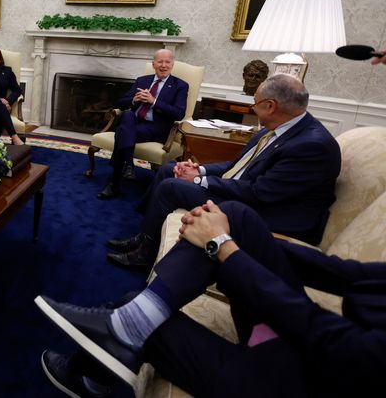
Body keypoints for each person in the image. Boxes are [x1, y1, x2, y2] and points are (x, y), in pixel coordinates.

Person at [36, 199, 386, 397]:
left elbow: (346, 349)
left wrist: (221, 247)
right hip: (306, 341)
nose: (376, 63)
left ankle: (96, 368)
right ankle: (126, 329)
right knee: (236, 216)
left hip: (309, 380)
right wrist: (228, 236)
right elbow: (344, 273)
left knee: (133, 303)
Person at [107, 73, 340, 269]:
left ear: (270, 106)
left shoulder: (311, 145)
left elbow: (260, 192)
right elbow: (236, 166)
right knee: (170, 169)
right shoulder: (274, 130)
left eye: (255, 104)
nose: (253, 108)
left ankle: (144, 255)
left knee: (171, 186)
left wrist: (198, 180)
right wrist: (199, 168)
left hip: (268, 211)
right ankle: (146, 237)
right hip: (250, 193)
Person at [97, 49, 188, 200]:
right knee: (127, 115)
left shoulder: (180, 85)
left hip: (156, 128)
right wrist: (134, 100)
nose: (163, 65)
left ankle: (115, 182)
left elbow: (179, 113)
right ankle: (128, 165)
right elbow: (120, 102)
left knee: (122, 133)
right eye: (160, 61)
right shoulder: (142, 80)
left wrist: (154, 102)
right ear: (153, 64)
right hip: (134, 123)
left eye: (167, 62)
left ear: (172, 65)